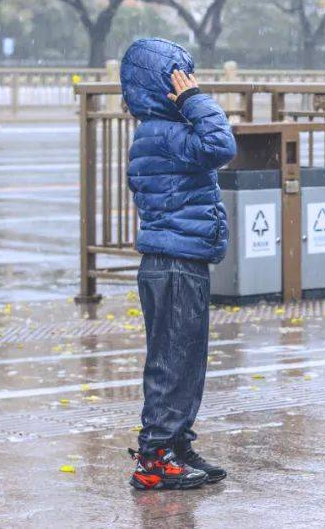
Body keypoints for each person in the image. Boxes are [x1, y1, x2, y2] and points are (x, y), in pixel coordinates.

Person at [121, 38, 237, 490]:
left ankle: (177, 444)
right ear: (160, 86)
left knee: (186, 360)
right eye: (179, 78)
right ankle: (155, 459)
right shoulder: (162, 132)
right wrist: (195, 101)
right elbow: (220, 145)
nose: (189, 85)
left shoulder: (162, 131)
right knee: (172, 361)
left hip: (180, 260)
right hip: (173, 263)